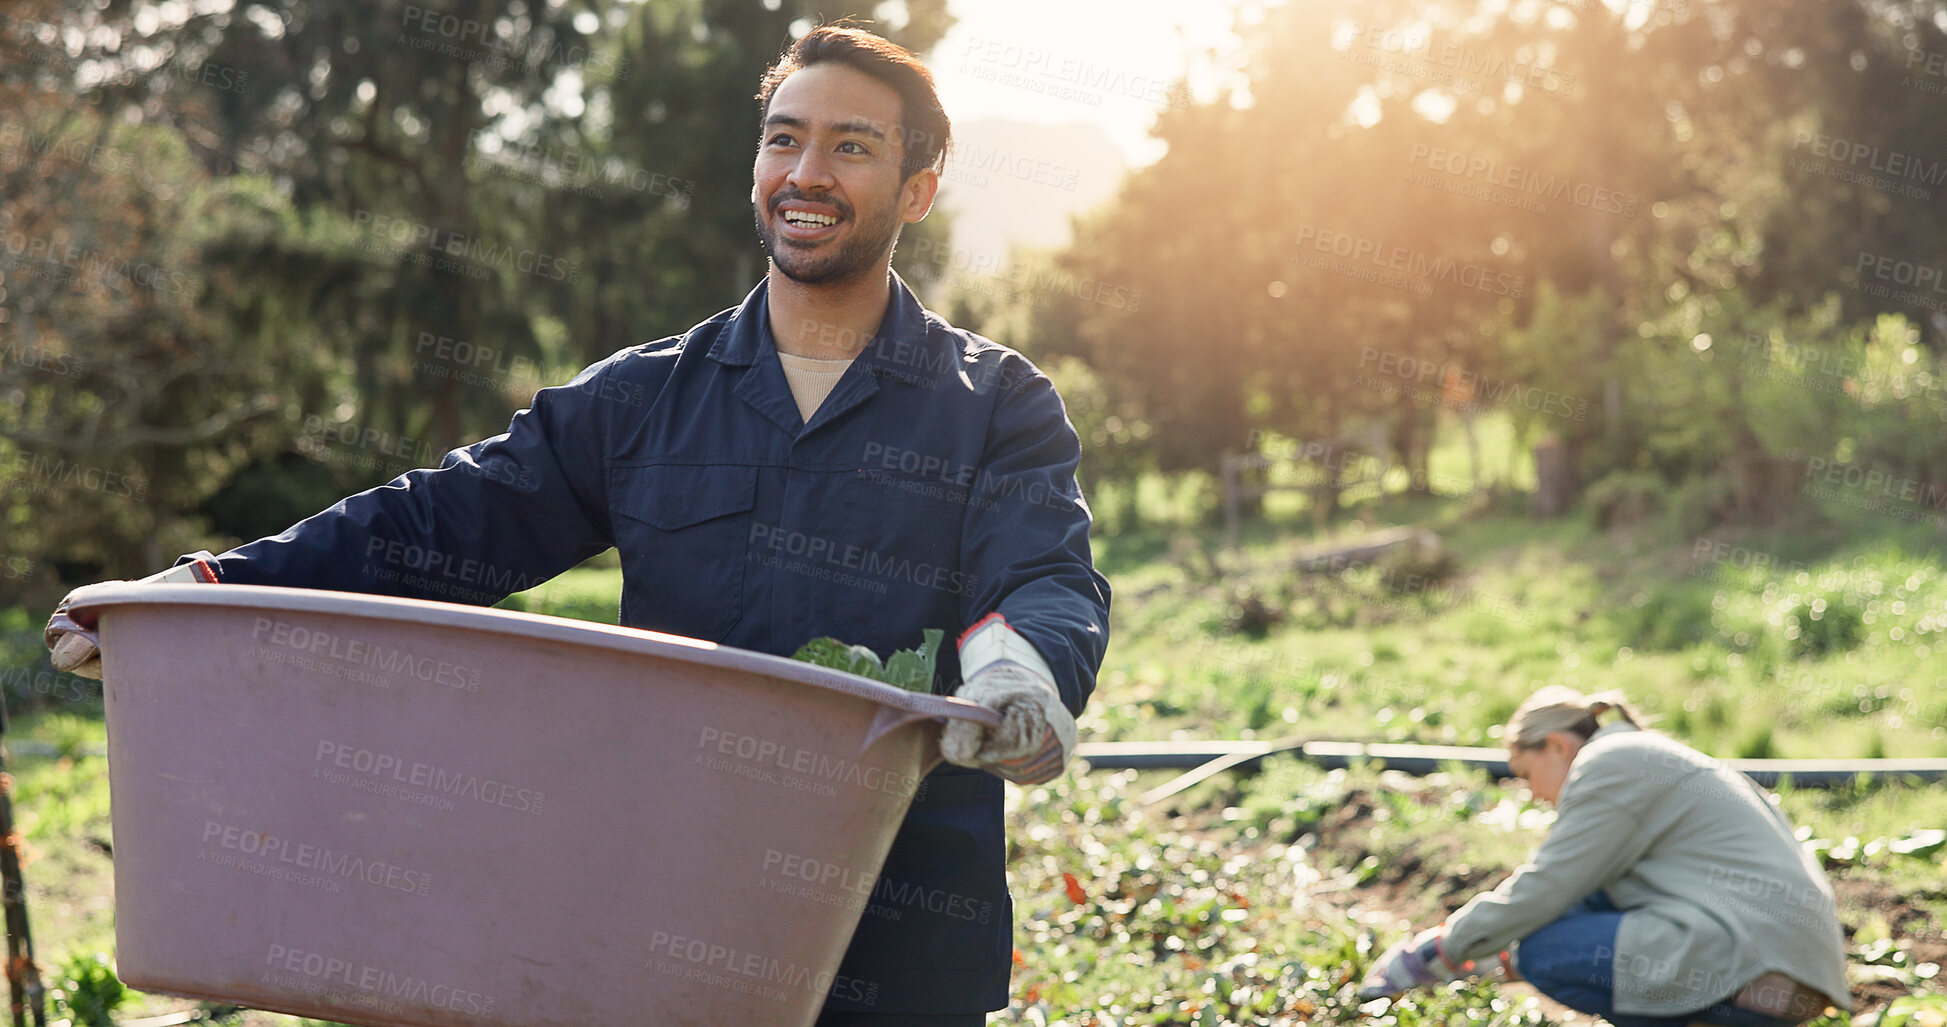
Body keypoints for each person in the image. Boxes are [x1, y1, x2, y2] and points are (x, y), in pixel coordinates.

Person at [44, 24, 1111, 1027]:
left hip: (899, 922)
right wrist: (209, 591)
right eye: (784, 140)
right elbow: (445, 520)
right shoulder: (641, 401)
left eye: (852, 148)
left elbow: (1042, 570)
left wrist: (1024, 671)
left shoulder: (992, 404)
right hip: (668, 915)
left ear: (916, 187)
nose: (807, 174)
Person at [1358, 686, 1851, 1027]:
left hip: (1759, 968)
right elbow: (1578, 895)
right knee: (1564, 922)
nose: (1531, 793)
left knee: (1545, 954)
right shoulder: (1640, 755)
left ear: (1556, 746)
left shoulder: (1610, 763)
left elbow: (1550, 884)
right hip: (1795, 970)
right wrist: (1490, 948)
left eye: (1526, 774)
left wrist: (1439, 951)